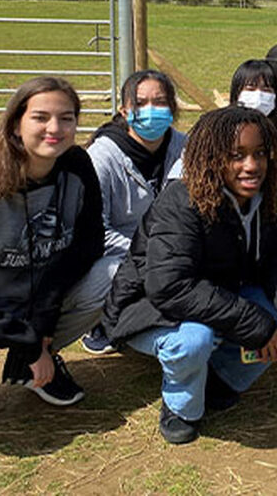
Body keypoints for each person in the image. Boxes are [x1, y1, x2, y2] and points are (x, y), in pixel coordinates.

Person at [102, 107, 277, 444]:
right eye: (236, 155)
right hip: (149, 308)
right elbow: (170, 288)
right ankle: (180, 406)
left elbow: (273, 259)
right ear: (211, 157)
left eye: (260, 153)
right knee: (194, 341)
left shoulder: (263, 198)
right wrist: (257, 326)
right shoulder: (181, 201)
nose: (251, 165)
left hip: (217, 294)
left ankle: (220, 378)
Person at [0, 77, 103, 405]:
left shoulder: (77, 165)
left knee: (113, 274)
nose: (54, 128)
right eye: (40, 117)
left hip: (39, 298)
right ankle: (31, 355)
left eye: (67, 117)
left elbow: (89, 244)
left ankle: (38, 363)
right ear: (16, 124)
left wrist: (43, 320)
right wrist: (25, 342)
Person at [80, 69, 186, 355]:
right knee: (121, 273)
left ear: (173, 108)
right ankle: (106, 318)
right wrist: (148, 253)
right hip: (120, 254)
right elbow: (95, 230)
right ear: (124, 110)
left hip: (172, 249)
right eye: (140, 103)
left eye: (160, 102)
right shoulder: (101, 157)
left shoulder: (186, 148)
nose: (151, 110)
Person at [230, 59, 277, 152]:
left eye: (266, 89)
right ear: (237, 93)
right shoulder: (224, 131)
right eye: (250, 88)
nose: (259, 95)